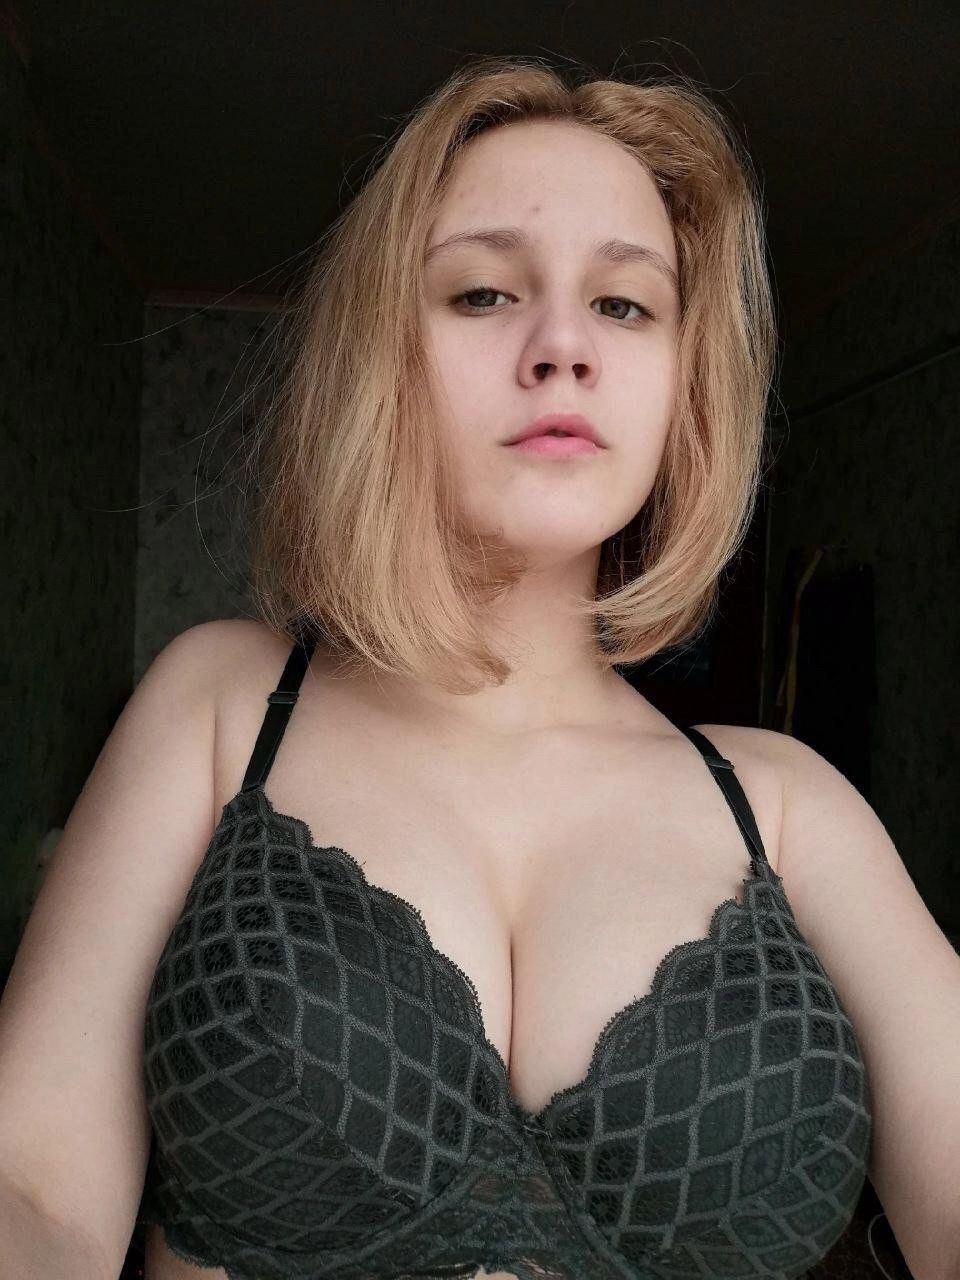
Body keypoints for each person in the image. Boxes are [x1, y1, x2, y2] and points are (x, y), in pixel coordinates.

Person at [2, 53, 958, 1280]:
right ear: (380, 355)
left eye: (625, 304)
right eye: (484, 292)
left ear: (684, 385)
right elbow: (34, 1187)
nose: (563, 345)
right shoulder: (220, 705)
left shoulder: (788, 805)